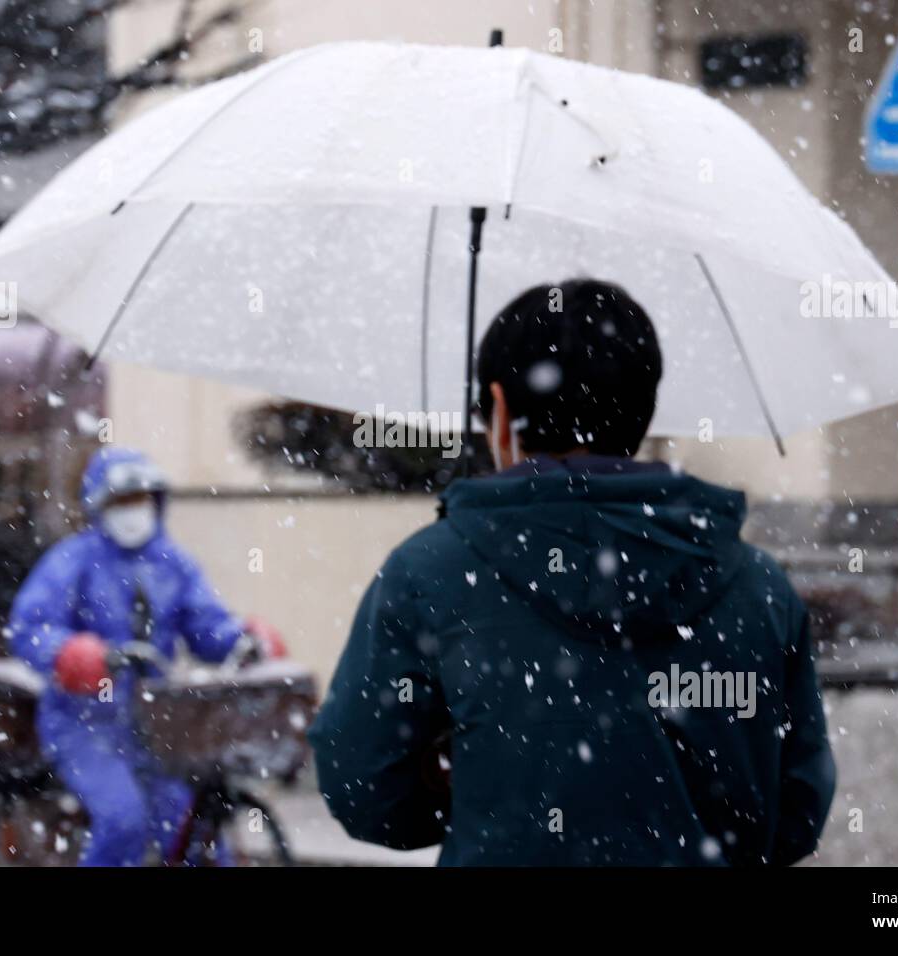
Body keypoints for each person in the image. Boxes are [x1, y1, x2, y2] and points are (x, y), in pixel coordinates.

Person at [308, 279, 836, 866]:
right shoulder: (758, 586)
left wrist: (462, 784)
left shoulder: (429, 574)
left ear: (501, 409)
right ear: (644, 407)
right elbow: (795, 813)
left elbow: (363, 788)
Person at [9, 446, 283, 866]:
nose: (132, 511)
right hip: (84, 725)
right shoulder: (73, 561)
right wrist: (74, 654)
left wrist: (244, 640)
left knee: (195, 832)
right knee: (123, 821)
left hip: (160, 725)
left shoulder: (173, 564)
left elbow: (207, 626)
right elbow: (30, 627)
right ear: (99, 506)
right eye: (121, 500)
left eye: (141, 498)